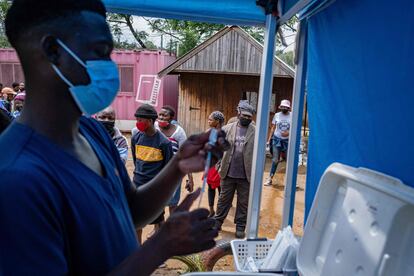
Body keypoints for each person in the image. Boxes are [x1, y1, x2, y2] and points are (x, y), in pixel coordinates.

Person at [0, 1, 228, 275]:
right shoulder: (15, 178)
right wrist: (161, 245)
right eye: (99, 52)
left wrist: (179, 163)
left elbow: (131, 210)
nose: (111, 68)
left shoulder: (93, 132)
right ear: (53, 51)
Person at [131, 104, 174, 244]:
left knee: (158, 222)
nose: (138, 123)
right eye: (136, 119)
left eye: (140, 120)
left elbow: (168, 169)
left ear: (150, 121)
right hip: (136, 187)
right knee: (136, 221)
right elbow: (136, 160)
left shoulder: (164, 143)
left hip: (155, 190)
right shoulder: (136, 138)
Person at [214, 100, 256, 239]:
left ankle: (240, 226)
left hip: (246, 174)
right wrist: (218, 166)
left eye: (250, 117)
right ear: (238, 113)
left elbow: (259, 153)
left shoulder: (256, 132)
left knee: (243, 202)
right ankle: (217, 222)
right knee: (224, 199)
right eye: (244, 115)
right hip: (228, 171)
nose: (247, 118)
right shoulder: (227, 129)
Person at [156, 105, 194, 214]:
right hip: (156, 171)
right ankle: (158, 227)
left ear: (171, 118)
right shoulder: (154, 128)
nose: (161, 117)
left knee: (172, 202)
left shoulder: (179, 132)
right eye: (160, 115)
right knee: (157, 201)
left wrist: (190, 178)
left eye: (165, 115)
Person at [264, 99, 292, 186]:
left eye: (285, 107)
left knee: (289, 160)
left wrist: (289, 132)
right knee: (275, 160)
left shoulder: (292, 116)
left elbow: (295, 128)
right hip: (277, 140)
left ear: (288, 108)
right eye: (282, 107)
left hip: (288, 141)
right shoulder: (277, 115)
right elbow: (273, 127)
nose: (284, 108)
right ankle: (270, 178)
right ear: (280, 107)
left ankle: (291, 181)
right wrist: (269, 139)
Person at [206, 111, 225, 217]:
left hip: (220, 165)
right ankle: (211, 210)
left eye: (210, 119)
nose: (208, 121)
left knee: (221, 189)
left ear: (217, 121)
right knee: (211, 187)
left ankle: (220, 212)